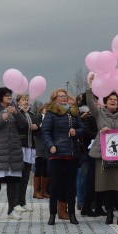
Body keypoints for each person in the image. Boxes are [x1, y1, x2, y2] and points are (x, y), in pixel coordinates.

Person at [0, 87, 29, 221]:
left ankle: (11, 210)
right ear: (0, 97)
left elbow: (24, 125)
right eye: (7, 95)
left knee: (12, 183)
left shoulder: (16, 109)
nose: (10, 97)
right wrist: (2, 119)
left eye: (10, 95)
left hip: (13, 151)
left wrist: (16, 113)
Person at [42, 88, 84, 226]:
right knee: (54, 186)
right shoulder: (51, 113)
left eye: (64, 96)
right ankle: (52, 214)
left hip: (71, 154)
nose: (63, 98)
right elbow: (46, 131)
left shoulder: (73, 112)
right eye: (60, 96)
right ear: (54, 99)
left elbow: (82, 129)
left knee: (71, 186)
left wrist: (76, 131)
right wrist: (50, 145)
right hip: (56, 154)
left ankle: (71, 214)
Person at [87, 90, 118, 225]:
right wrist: (90, 89)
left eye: (115, 100)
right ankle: (109, 214)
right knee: (106, 185)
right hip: (102, 154)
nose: (113, 101)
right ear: (105, 102)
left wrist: (113, 132)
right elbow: (90, 103)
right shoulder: (99, 114)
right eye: (110, 99)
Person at [13, 93, 41, 213]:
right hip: (20, 147)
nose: (25, 102)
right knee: (18, 177)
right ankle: (15, 203)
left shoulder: (32, 115)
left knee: (25, 177)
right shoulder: (16, 114)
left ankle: (22, 201)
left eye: (27, 100)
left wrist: (37, 127)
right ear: (18, 101)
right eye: (23, 100)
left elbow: (39, 129)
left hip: (30, 147)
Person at [33, 105, 49, 200]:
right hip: (39, 146)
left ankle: (43, 191)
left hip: (47, 147)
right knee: (39, 168)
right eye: (45, 109)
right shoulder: (38, 117)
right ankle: (36, 191)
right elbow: (37, 130)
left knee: (46, 169)